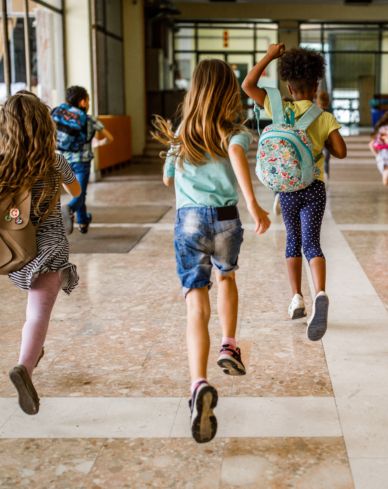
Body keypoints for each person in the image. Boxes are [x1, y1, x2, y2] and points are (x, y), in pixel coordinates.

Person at [152, 59, 271, 444]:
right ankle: (229, 345)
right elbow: (237, 157)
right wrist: (252, 203)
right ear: (228, 91)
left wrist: (179, 162)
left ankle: (198, 384)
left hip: (188, 219)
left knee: (195, 303)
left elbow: (168, 177)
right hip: (225, 217)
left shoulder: (182, 133)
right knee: (227, 277)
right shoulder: (236, 130)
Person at [0, 91, 82, 416]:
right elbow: (75, 190)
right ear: (44, 127)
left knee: (31, 312)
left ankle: (31, 355)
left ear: (5, 127)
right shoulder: (54, 159)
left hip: (18, 250)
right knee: (39, 314)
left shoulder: (0, 161)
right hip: (50, 248)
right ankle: (24, 366)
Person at [242, 44, 347, 340]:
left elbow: (247, 84)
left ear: (288, 85)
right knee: (312, 242)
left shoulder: (278, 106)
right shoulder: (322, 116)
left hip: (286, 188)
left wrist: (269, 56)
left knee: (292, 239)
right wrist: (319, 141)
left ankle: (296, 298)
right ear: (316, 85)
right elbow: (341, 152)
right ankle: (321, 293)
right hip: (314, 187)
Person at [54, 86, 113, 235]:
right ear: (82, 102)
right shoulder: (88, 119)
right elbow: (109, 137)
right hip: (82, 161)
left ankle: (83, 222)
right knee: (79, 193)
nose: (89, 103)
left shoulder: (60, 116)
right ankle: (69, 208)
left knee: (78, 192)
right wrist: (98, 143)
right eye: (88, 100)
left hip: (63, 161)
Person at [316, 90, 333, 179]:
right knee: (326, 160)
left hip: (315, 140)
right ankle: (326, 174)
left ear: (317, 102)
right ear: (328, 103)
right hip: (326, 140)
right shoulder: (330, 115)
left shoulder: (313, 113)